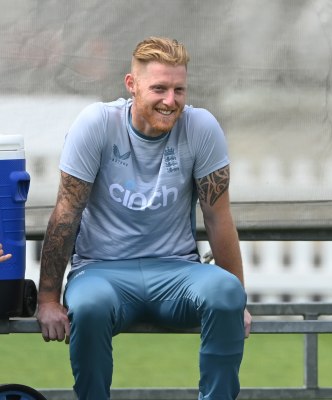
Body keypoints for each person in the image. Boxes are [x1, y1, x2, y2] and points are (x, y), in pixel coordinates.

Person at [36, 36, 251, 400]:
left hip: (176, 271)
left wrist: (236, 305)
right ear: (131, 85)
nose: (170, 100)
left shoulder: (201, 127)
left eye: (179, 89)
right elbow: (66, 212)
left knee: (227, 292)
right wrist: (48, 299)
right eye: (159, 89)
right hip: (102, 271)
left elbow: (218, 217)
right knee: (88, 307)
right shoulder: (97, 124)